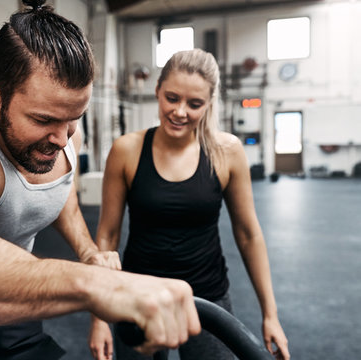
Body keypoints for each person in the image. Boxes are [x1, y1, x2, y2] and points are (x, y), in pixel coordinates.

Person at [0, 1, 202, 359]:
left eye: (74, 116)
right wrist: (100, 285)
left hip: (6, 301)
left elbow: (61, 196)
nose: (62, 138)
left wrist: (88, 253)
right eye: (44, 120)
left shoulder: (67, 134)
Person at [88, 48, 290, 360]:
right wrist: (100, 317)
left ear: (209, 104)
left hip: (207, 295)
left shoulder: (227, 152)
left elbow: (249, 234)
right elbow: (107, 236)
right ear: (157, 90)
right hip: (138, 296)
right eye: (172, 98)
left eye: (194, 104)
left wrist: (270, 314)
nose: (180, 111)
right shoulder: (126, 150)